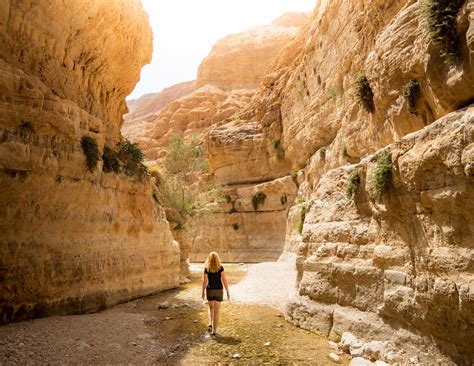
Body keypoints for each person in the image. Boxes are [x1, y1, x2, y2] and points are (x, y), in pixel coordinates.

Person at [201, 251, 230, 336]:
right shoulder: (220, 267)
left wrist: (202, 292)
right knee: (217, 311)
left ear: (209, 259)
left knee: (211, 309)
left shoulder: (207, 268)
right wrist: (227, 291)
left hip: (210, 290)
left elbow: (204, 281)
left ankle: (210, 323)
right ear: (217, 259)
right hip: (219, 290)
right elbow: (224, 279)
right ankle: (214, 331)